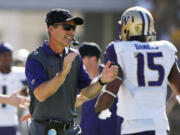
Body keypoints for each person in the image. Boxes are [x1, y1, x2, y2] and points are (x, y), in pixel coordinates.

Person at [25, 8, 118, 135]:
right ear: (51, 29)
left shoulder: (75, 57)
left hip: (70, 129)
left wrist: (102, 80)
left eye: (73, 28)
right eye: (67, 27)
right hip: (43, 130)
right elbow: (41, 95)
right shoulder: (35, 58)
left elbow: (87, 92)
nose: (72, 32)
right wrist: (63, 73)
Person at [95, 6, 180, 135]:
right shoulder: (165, 48)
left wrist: (98, 107)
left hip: (133, 128)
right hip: (160, 128)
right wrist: (168, 104)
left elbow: (109, 97)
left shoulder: (120, 49)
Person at [75, 42, 122, 135]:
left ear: (92, 59)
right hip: (88, 130)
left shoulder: (111, 75)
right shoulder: (80, 78)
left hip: (110, 130)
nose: (78, 63)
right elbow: (73, 101)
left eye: (81, 59)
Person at [0, 42, 30, 135]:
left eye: (9, 55)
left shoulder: (20, 73)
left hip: (11, 122)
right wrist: (8, 99)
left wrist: (26, 91)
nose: (7, 58)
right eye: (4, 55)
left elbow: (33, 87)